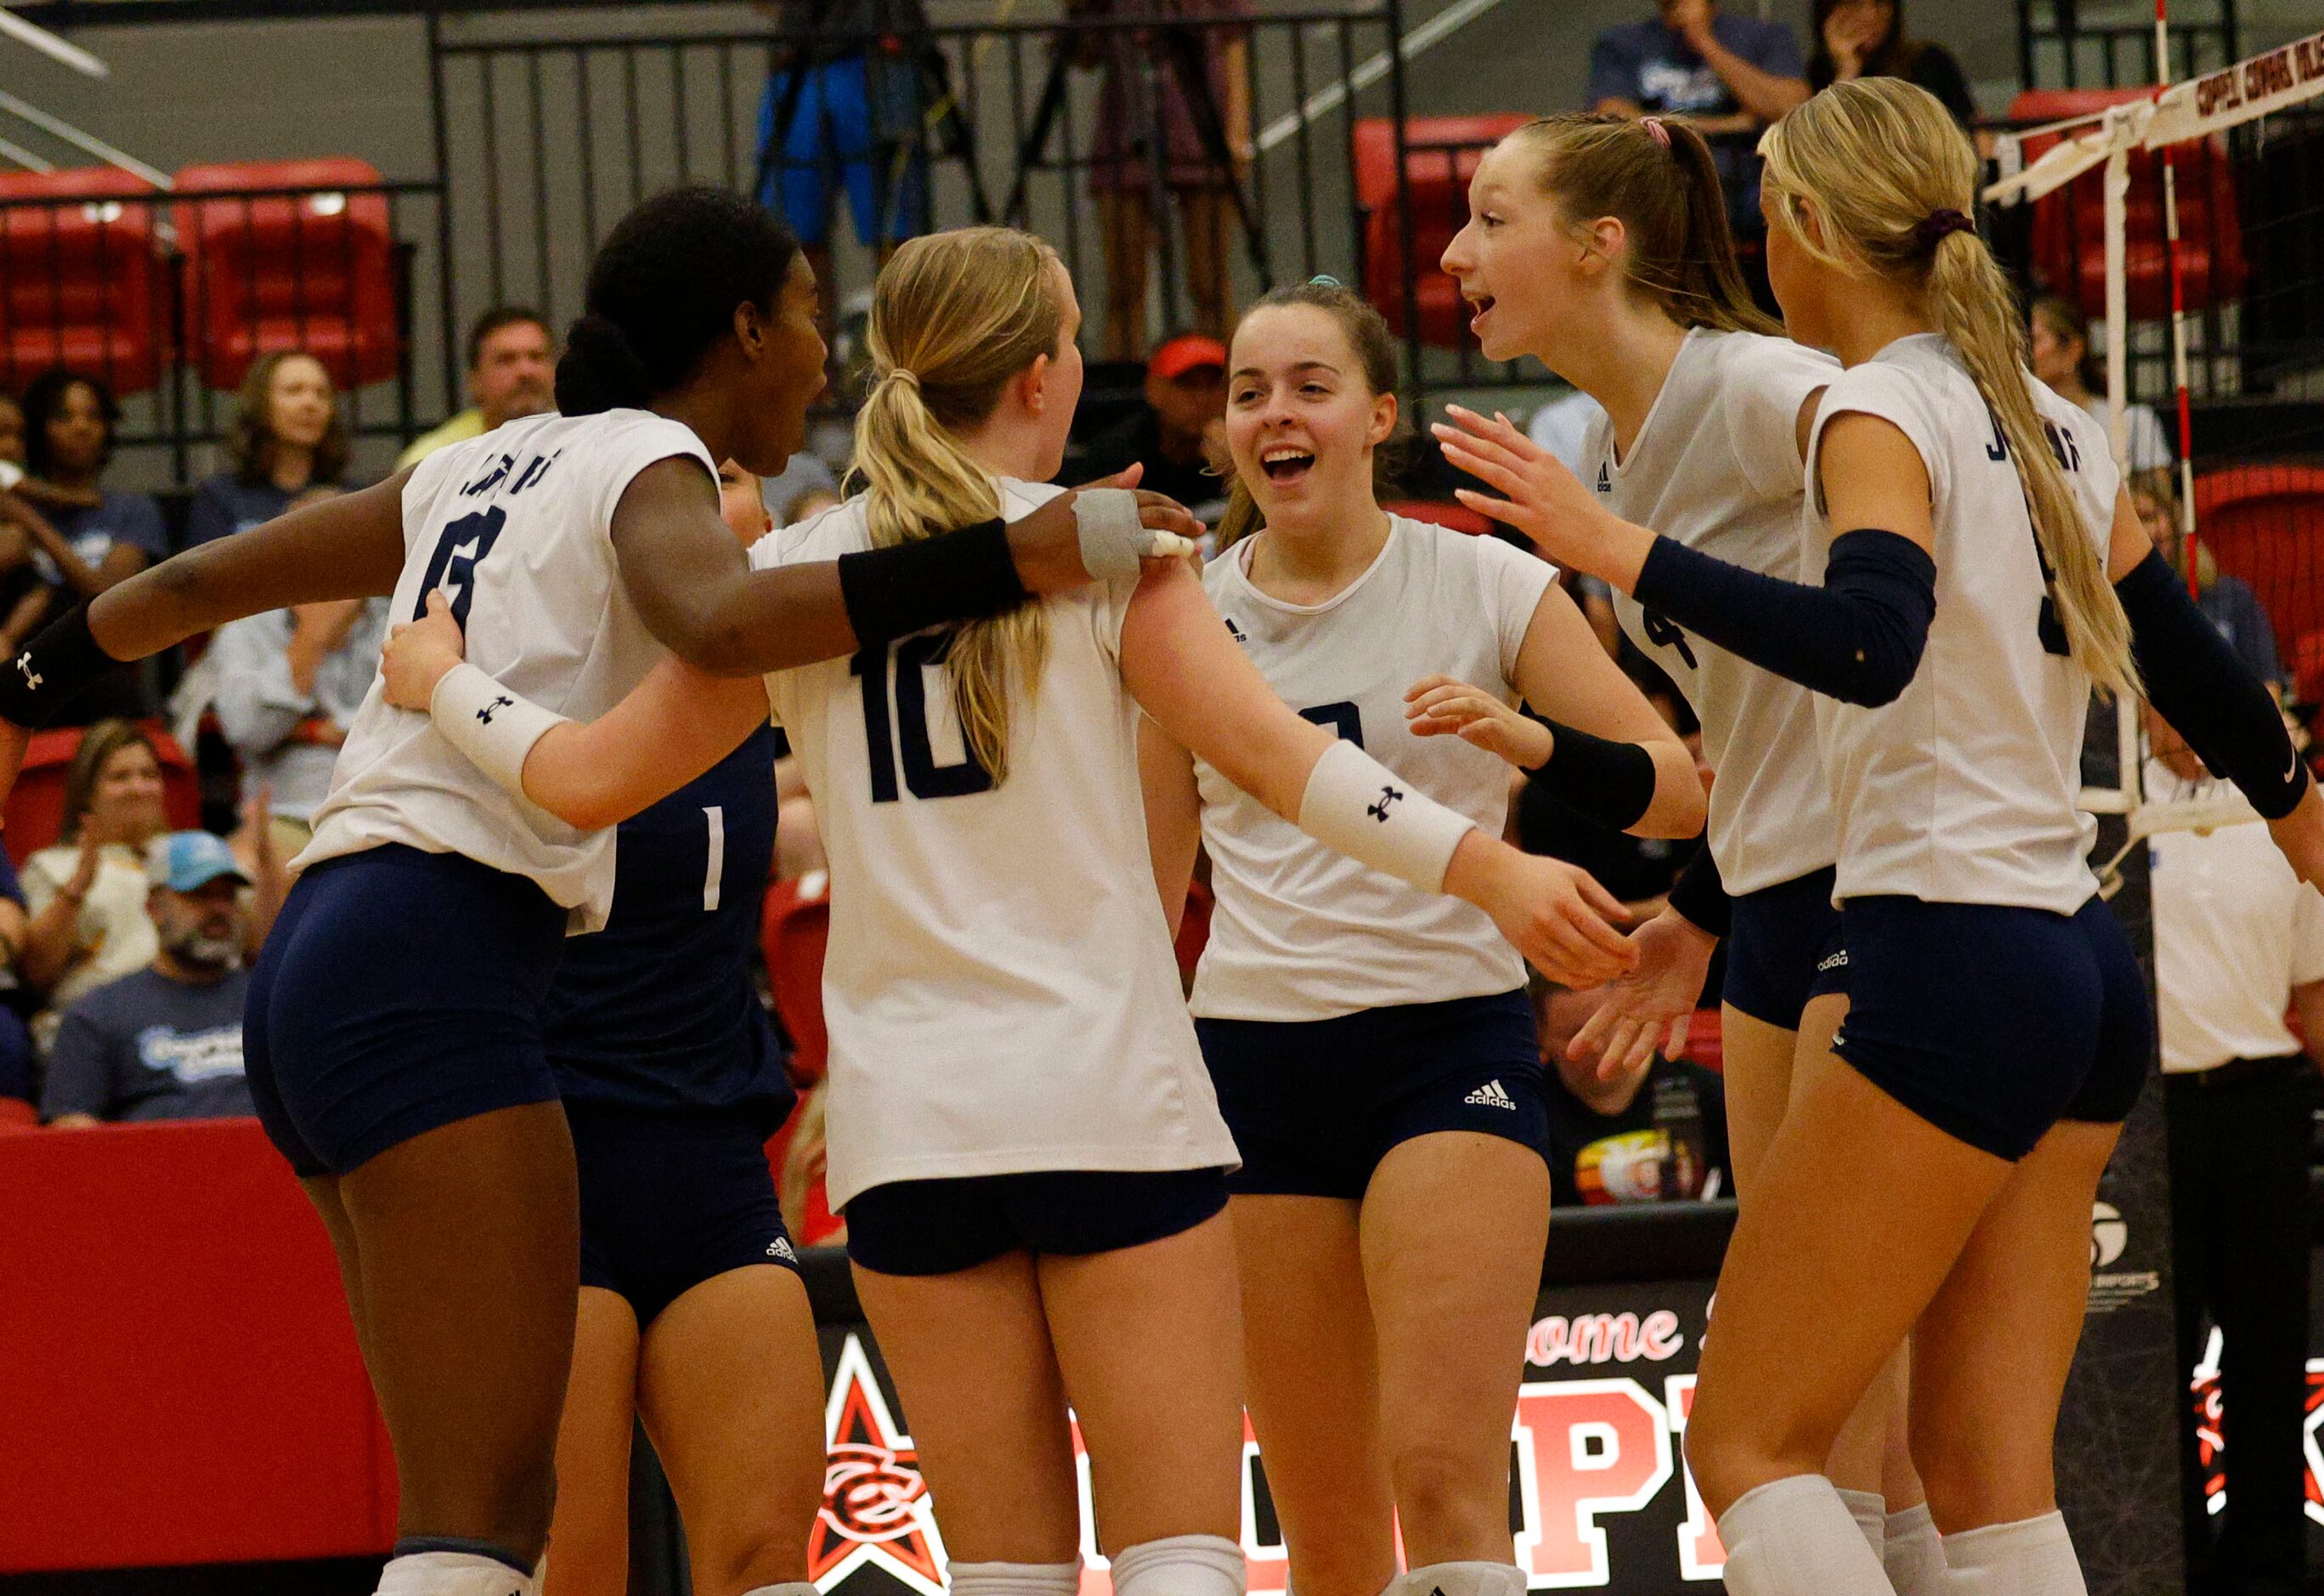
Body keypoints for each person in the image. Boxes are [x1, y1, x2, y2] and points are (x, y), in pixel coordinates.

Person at [376, 225, 1634, 1596]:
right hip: (1107, 1097)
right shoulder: (1114, 559)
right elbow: (1294, 766)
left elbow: (579, 778)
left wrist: (442, 680)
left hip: (911, 1127)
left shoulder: (800, 572)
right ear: (1043, 376)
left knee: (1003, 1577)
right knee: (1180, 1559)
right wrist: (1491, 866)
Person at [0, 186, 1196, 1596]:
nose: (825, 355)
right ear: (742, 329)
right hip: (438, 951)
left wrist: (27, 672)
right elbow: (725, 618)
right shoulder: (649, 457)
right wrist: (1016, 554)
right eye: (809, 314)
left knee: (476, 1508)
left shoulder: (484, 465)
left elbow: (205, 577)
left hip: (329, 955)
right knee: (486, 1521)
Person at [1437, 76, 2324, 1593]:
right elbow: (2213, 694)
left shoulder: (1849, 399)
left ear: (1801, 227)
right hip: (2075, 963)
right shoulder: (2056, 416)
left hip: (1936, 947)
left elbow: (1866, 645)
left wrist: (1614, 550)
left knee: (1757, 1446)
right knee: (1987, 1480)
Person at [1138, 278, 1704, 1596]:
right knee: (1325, 1534)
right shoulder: (1181, 616)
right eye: (1246, 391)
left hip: (1445, 1043)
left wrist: (1527, 743)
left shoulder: (1483, 579)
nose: (1273, 413)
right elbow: (1156, 886)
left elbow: (1672, 783)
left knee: (1444, 1476)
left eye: (1307, 386)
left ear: (1377, 415)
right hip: (1254, 1064)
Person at [1436, 110, 1936, 1584]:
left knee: (1809, 1405)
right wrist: (1703, 910)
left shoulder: (1764, 384)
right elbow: (1756, 722)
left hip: (1883, 882)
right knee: (1845, 1419)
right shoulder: (1617, 440)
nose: (1458, 252)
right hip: (1774, 894)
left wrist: (1607, 548)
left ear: (1600, 246)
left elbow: (1905, 568)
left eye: (1490, 217)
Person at [538, 455, 822, 1596]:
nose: (737, 501)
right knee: (578, 1568)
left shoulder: (770, 673)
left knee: (764, 1555)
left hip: (712, 1157)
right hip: (551, 1173)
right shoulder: (542, 684)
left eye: (740, 477)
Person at [2145, 704, 2321, 1596]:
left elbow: (2316, 996)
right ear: (2135, 702)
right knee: (2147, 1359)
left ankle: (2267, 1572)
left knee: (2267, 1351)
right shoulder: (2102, 809)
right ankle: (2162, 1564)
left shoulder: (2286, 810)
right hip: (2139, 1121)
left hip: (2260, 1104)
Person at [1073, 0, 1253, 359]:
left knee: (1211, 288)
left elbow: (1234, 42)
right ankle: (1127, 399)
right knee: (1124, 290)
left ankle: (1224, 398)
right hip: (1127, 128)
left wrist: (1235, 131)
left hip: (1200, 123)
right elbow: (1085, 55)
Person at [41, 830, 254, 1128]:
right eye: (199, 895)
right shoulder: (97, 1014)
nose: (218, 909)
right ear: (154, 908)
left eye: (227, 895)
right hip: (152, 1169)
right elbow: (71, 1128)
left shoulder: (271, 1001)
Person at [754, 0, 936, 337]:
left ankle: (908, 366)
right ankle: (811, 375)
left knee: (897, 238)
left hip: (880, 52)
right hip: (799, 54)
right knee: (793, 238)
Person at [1587, 0, 1808, 246]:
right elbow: (1610, 115)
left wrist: (1705, 43)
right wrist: (1731, 124)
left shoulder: (1765, 35)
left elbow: (1792, 108)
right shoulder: (1621, 42)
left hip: (1747, 204)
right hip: (1658, 192)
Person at [208, 569, 393, 857]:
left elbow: (406, 725)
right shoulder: (247, 630)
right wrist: (312, 637)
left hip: (385, 811)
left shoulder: (400, 619)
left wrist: (304, 730)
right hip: (285, 815)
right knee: (244, 874)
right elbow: (246, 729)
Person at [20, 721, 172, 1043]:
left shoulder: (190, 857)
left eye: (149, 775)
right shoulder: (53, 867)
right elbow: (35, 976)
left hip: (189, 1019)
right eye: (120, 777)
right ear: (86, 793)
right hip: (97, 1031)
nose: (138, 788)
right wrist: (77, 888)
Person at [1535, 979, 1727, 1206]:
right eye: (1575, 1035)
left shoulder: (1705, 1094)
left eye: (1604, 1026)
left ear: (1629, 1015)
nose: (1595, 1044)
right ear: (1542, 1039)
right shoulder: (1531, 1113)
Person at [185, 351, 348, 546]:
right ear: (260, 404)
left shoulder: (357, 498)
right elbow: (210, 576)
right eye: (294, 390)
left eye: (322, 394)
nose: (310, 403)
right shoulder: (219, 498)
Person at [2135, 475, 2282, 688]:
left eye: (2148, 517)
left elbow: (2269, 691)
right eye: (2133, 523)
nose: (2143, 533)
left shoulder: (2232, 596)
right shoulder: (2121, 609)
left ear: (2175, 521)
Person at [1072, 332, 1230, 518]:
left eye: (1214, 385)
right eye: (1186, 383)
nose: (1202, 398)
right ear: (1154, 389)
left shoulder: (1238, 454)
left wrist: (1236, 469)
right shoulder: (1116, 457)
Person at [2029, 295, 2174, 494]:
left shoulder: (2134, 421)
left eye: (2036, 340)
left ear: (2074, 349)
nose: (2026, 352)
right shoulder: (2022, 424)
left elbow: (2159, 505)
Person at [396, 308, 558, 469]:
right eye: (506, 360)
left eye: (537, 357)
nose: (525, 371)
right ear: (475, 380)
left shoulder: (580, 440)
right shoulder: (433, 461)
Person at [1807, 0, 1975, 127]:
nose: (1871, 15)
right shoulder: (1817, 74)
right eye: (1856, 3)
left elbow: (1973, 129)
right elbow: (1823, 144)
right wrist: (1847, 69)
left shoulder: (1928, 61)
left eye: (1880, 3)